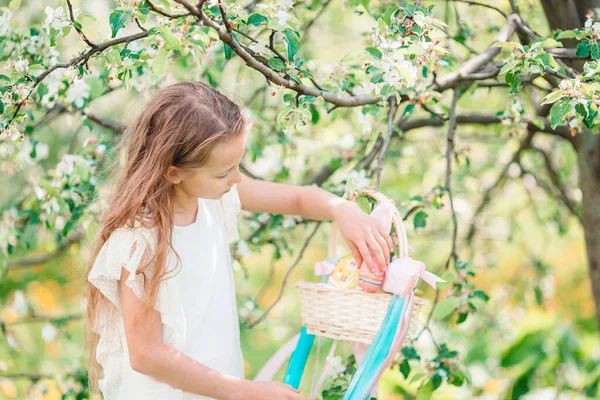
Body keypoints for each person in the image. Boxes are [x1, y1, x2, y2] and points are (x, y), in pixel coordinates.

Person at [83, 81, 393, 399]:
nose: (236, 179)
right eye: (223, 172)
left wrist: (340, 209)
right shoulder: (141, 241)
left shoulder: (212, 196)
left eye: (237, 165)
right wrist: (247, 392)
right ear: (174, 173)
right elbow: (146, 354)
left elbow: (296, 200)